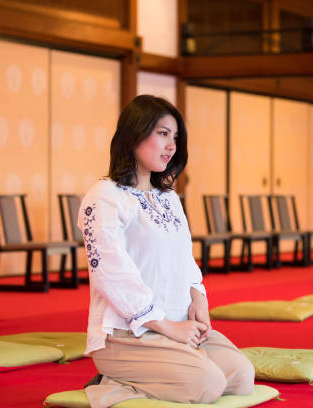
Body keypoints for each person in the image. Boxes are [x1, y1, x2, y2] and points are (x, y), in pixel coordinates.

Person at [78, 95, 254, 408]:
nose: (171, 145)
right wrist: (167, 326)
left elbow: (184, 257)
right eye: (162, 134)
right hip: (129, 335)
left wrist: (198, 295)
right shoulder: (104, 196)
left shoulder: (168, 197)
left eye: (175, 137)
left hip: (178, 329)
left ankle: (173, 365)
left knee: (242, 377)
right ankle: (113, 380)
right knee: (208, 384)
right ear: (133, 134)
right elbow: (110, 274)